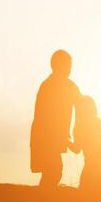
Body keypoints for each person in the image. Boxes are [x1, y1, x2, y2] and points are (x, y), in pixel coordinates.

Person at [30, 49, 81, 188]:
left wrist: (79, 131)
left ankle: (43, 198)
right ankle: (43, 199)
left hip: (54, 137)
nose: (69, 70)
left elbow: (82, 105)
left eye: (70, 67)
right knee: (53, 171)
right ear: (56, 66)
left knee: (52, 171)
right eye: (67, 66)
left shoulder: (69, 86)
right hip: (45, 137)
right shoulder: (48, 86)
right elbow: (43, 116)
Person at [69, 95, 101, 195]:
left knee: (85, 192)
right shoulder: (98, 122)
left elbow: (76, 150)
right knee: (99, 194)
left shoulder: (79, 127)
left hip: (91, 162)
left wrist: (65, 142)